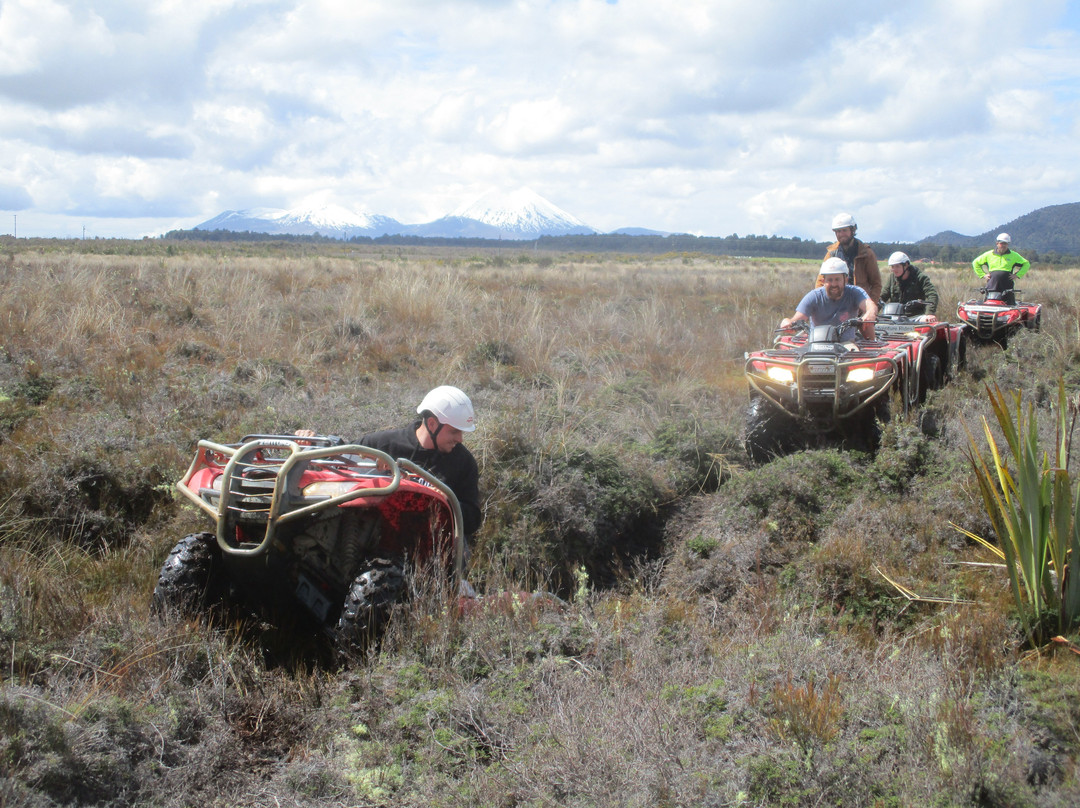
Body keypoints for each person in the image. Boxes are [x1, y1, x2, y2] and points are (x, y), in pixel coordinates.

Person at [297, 385, 482, 545]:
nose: (460, 439)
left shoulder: (464, 464)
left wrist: (443, 501)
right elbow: (342, 458)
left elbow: (472, 520)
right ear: (433, 424)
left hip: (429, 549)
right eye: (454, 432)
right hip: (369, 540)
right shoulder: (383, 444)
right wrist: (312, 442)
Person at [782, 257, 878, 340]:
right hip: (816, 344)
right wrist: (788, 322)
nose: (834, 284)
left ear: (845, 280)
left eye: (837, 279)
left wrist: (870, 313)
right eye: (830, 280)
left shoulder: (855, 292)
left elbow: (869, 305)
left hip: (846, 345)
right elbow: (798, 318)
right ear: (823, 281)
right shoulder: (814, 296)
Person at [815, 212, 883, 303]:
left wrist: (870, 307)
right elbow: (820, 282)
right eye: (838, 231)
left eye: (844, 230)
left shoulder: (866, 253)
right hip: (835, 305)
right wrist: (822, 303)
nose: (841, 234)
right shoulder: (831, 254)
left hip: (859, 306)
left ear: (853, 230)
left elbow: (876, 284)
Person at [880, 251, 939, 322]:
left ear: (906, 265)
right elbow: (882, 296)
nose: (894, 270)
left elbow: (932, 295)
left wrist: (929, 313)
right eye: (892, 267)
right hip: (894, 318)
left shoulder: (920, 278)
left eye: (897, 266)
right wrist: (872, 311)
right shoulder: (892, 278)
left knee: (927, 321)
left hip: (916, 318)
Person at [972, 233, 1030, 304]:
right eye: (1002, 243)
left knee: (1009, 308)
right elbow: (975, 263)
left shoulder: (1014, 255)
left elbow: (1026, 264)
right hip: (992, 286)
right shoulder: (989, 254)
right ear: (997, 243)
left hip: (1007, 286)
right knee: (990, 306)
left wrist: (1018, 275)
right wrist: (983, 275)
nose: (1004, 246)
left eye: (1006, 244)